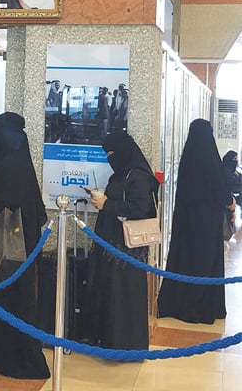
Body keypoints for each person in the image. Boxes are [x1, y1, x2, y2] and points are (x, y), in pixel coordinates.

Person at [0, 112, 50, 379]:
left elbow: (6, 202)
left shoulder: (7, 166)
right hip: (21, 247)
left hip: (6, 249)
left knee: (5, 298)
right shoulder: (20, 160)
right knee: (19, 299)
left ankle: (7, 356)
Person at [82, 129, 158, 351]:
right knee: (113, 293)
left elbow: (139, 208)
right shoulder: (122, 174)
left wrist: (107, 205)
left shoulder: (138, 176)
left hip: (126, 250)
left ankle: (126, 344)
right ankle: (111, 341)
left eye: (112, 152)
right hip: (113, 246)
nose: (109, 157)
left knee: (124, 294)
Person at [158, 119, 233, 324]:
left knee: (186, 259)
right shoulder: (211, 160)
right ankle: (202, 306)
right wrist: (231, 204)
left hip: (186, 222)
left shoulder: (188, 159)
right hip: (207, 223)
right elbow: (221, 190)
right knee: (205, 262)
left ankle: (180, 302)